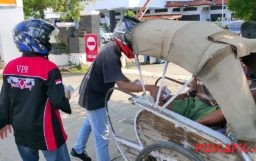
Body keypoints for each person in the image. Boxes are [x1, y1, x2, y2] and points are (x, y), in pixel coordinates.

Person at [70, 16, 159, 161]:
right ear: (123, 37)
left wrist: (135, 84)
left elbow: (117, 75)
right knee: (102, 138)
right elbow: (121, 85)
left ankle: (78, 149)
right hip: (94, 97)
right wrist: (147, 87)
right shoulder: (111, 54)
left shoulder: (111, 47)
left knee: (89, 122)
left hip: (90, 92)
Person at [0, 19, 72, 161]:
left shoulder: (9, 67)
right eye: (45, 38)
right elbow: (58, 101)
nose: (49, 41)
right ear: (34, 40)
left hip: (21, 130)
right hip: (46, 130)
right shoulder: (49, 68)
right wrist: (66, 97)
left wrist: (2, 122)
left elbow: (4, 99)